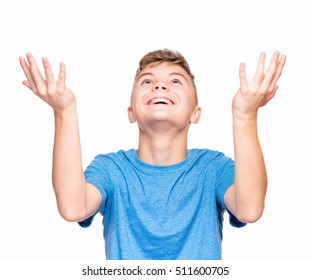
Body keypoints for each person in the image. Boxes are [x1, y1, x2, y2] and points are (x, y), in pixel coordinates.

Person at [19, 49, 286, 260]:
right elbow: (73, 207)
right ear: (131, 112)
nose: (159, 87)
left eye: (175, 81)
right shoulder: (111, 169)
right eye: (147, 82)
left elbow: (250, 209)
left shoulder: (213, 168)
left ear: (196, 113)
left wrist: (245, 115)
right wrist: (64, 112)